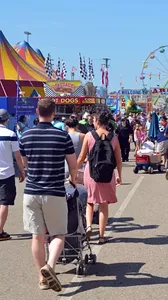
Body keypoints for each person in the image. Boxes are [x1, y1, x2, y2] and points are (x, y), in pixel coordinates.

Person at [20, 98, 77, 292]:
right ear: (54, 112)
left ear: (37, 111)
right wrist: (73, 179)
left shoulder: (25, 136)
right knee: (58, 233)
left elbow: (25, 163)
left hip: (32, 191)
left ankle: (41, 278)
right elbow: (72, 163)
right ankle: (50, 266)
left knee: (37, 236)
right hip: (54, 191)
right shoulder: (62, 136)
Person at [77, 111, 122, 244]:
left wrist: (75, 171)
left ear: (97, 121)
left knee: (90, 202)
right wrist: (120, 175)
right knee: (103, 205)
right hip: (108, 174)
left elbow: (81, 156)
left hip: (91, 172)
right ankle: (102, 236)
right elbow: (118, 160)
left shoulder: (89, 136)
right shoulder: (113, 137)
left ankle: (89, 226)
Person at [0, 109, 25, 241]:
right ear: (6, 120)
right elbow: (17, 155)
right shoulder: (10, 134)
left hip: (6, 173)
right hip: (6, 173)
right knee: (4, 202)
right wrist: (22, 170)